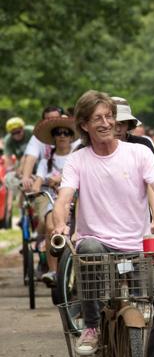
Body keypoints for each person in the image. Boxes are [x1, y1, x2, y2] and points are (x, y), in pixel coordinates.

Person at [51, 90, 154, 357]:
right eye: (97, 118)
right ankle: (92, 326)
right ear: (84, 125)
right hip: (97, 245)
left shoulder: (138, 153)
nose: (106, 123)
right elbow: (64, 198)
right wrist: (60, 225)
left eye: (109, 116)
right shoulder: (78, 160)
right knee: (88, 248)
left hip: (138, 248)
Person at [30, 117, 77, 286]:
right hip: (53, 199)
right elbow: (37, 183)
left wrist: (60, 179)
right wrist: (37, 186)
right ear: (54, 137)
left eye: (66, 133)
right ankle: (53, 270)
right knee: (51, 227)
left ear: (71, 137)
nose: (62, 136)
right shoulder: (45, 162)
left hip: (76, 199)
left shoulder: (77, 157)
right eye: (58, 133)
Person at [112, 97, 154, 236]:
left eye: (122, 123)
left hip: (140, 216)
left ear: (129, 125)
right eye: (114, 123)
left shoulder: (142, 145)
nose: (118, 128)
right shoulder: (91, 148)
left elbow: (153, 181)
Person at [20, 106, 66, 192]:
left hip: (68, 177)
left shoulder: (70, 133)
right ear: (43, 121)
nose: (52, 122)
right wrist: (26, 177)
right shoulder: (38, 137)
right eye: (49, 119)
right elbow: (31, 157)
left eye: (55, 118)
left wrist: (60, 178)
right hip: (46, 178)